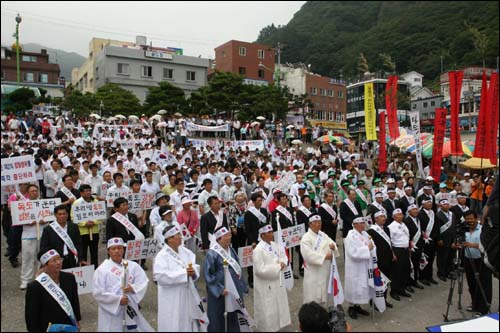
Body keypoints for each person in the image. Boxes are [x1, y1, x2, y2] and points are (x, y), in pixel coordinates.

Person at [92, 237, 153, 332]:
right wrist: (117, 300)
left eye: (119, 248)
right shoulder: (101, 270)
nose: (117, 251)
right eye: (113, 249)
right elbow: (98, 293)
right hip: (111, 311)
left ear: (123, 250)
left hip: (129, 306)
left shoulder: (133, 266)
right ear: (108, 251)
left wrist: (133, 288)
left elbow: (143, 281)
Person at [153, 225, 204, 331]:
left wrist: (192, 271)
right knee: (173, 320)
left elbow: (194, 265)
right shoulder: (162, 256)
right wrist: (184, 273)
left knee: (187, 319)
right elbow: (160, 276)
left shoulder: (185, 251)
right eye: (178, 235)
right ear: (170, 239)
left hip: (186, 293)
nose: (181, 237)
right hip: (171, 296)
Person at [203, 226, 248, 332]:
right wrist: (218, 289)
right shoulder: (212, 253)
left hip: (234, 288)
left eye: (229, 235)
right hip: (220, 291)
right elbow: (208, 275)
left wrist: (242, 285)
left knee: (234, 314)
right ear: (218, 239)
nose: (229, 238)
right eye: (225, 236)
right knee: (218, 316)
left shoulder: (231, 250)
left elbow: (238, 269)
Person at [25, 249, 81, 332]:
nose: (58, 263)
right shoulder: (35, 287)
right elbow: (31, 316)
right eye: (54, 261)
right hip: (48, 327)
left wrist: (77, 320)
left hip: (68, 326)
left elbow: (74, 302)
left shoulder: (69, 278)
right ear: (45, 265)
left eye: (59, 259)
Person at [252, 224, 291, 332]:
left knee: (280, 307)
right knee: (269, 311)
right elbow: (260, 270)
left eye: (271, 231)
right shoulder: (258, 250)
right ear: (262, 235)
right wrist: (278, 267)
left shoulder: (275, 245)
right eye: (268, 233)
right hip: (266, 285)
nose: (271, 234)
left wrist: (283, 262)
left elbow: (283, 255)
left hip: (278, 282)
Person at [300, 215, 339, 306]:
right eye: (316, 223)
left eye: (320, 222)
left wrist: (333, 247)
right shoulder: (306, 238)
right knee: (312, 296)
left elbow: (332, 243)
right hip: (313, 271)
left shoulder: (322, 234)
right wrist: (324, 256)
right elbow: (308, 255)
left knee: (324, 293)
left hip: (324, 269)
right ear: (310, 224)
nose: (318, 225)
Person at [462, 211, 492, 315]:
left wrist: (472, 245)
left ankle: (483, 309)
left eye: (471, 218)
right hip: (468, 259)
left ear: (476, 218)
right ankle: (475, 304)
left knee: (483, 284)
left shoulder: (483, 230)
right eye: (467, 219)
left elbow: (487, 245)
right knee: (472, 283)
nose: (469, 221)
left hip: (482, 260)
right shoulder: (464, 229)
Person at [20, 184, 49, 290]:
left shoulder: (43, 204)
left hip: (41, 235)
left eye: (36, 191)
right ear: (28, 193)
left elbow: (49, 217)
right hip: (28, 236)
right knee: (27, 258)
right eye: (32, 191)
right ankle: (25, 280)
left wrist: (45, 221)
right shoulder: (23, 205)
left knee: (41, 258)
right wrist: (27, 222)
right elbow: (18, 220)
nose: (34, 193)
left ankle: (40, 277)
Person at [344, 217, 372, 319]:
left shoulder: (365, 234)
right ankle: (351, 307)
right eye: (360, 223)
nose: (362, 225)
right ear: (354, 225)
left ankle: (358, 306)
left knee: (361, 286)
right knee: (354, 285)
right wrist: (367, 249)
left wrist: (371, 248)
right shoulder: (351, 236)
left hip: (364, 265)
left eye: (363, 223)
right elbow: (353, 252)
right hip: (354, 266)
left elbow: (371, 245)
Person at [39, 205, 83, 269]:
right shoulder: (48, 229)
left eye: (64, 214)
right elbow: (44, 247)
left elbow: (79, 244)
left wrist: (80, 258)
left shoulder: (74, 227)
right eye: (59, 214)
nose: (62, 216)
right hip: (56, 261)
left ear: (67, 214)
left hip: (71, 260)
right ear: (55, 215)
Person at [366, 211, 394, 308]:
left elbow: (389, 243)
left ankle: (384, 300)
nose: (384, 218)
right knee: (378, 282)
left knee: (386, 281)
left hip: (388, 258)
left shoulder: (386, 229)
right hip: (379, 260)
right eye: (381, 217)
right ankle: (374, 302)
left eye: (384, 216)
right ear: (376, 219)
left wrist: (393, 254)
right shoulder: (371, 231)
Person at [71, 184, 102, 269]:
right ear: (81, 193)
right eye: (86, 191)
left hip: (94, 231)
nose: (88, 192)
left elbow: (101, 216)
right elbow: (73, 218)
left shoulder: (95, 202)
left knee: (94, 253)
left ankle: (95, 269)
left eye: (89, 190)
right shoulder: (77, 203)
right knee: (83, 253)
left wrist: (94, 222)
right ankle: (84, 270)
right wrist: (84, 223)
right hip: (82, 232)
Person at [244, 193, 269, 287]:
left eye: (261, 201)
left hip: (263, 238)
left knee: (264, 257)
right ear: (253, 202)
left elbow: (266, 224)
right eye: (258, 201)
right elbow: (248, 229)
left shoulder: (263, 211)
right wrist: (252, 241)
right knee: (253, 259)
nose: (260, 203)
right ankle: (251, 279)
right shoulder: (248, 213)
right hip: (253, 238)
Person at [388, 209, 411, 301]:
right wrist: (392, 253)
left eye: (401, 214)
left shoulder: (403, 224)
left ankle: (402, 289)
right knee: (396, 271)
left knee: (404, 270)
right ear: (393, 217)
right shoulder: (391, 227)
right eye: (398, 214)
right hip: (397, 250)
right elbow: (390, 241)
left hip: (405, 249)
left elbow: (407, 237)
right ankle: (394, 291)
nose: (400, 216)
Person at [417, 199, 440, 285]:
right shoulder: (420, 214)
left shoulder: (433, 213)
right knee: (424, 259)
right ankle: (422, 277)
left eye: (430, 202)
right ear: (423, 205)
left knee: (431, 259)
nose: (430, 204)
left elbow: (437, 226)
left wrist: (438, 238)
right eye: (428, 203)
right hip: (424, 240)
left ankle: (429, 276)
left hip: (433, 240)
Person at [404, 204, 425, 290]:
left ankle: (415, 280)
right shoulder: (406, 221)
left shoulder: (418, 220)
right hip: (411, 246)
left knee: (416, 264)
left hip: (418, 245)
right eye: (413, 209)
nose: (416, 211)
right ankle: (408, 283)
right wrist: (409, 246)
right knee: (409, 265)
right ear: (409, 212)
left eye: (416, 209)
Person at [435, 199, 456, 281]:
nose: (446, 206)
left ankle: (448, 272)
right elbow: (437, 229)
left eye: (447, 204)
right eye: (444, 204)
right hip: (443, 240)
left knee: (450, 257)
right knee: (442, 257)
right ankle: (441, 273)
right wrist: (439, 239)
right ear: (440, 206)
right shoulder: (438, 215)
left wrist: (454, 240)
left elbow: (454, 227)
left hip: (451, 239)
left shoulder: (452, 214)